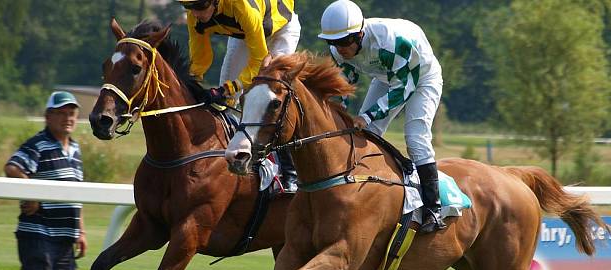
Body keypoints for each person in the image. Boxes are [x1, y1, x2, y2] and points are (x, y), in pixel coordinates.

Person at [318, 0, 447, 233]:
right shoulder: (339, 49)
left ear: (359, 34)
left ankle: (434, 210)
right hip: (387, 76)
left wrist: (366, 116)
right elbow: (344, 85)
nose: (340, 49)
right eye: (332, 43)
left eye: (345, 42)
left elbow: (403, 89)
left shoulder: (391, 43)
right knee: (367, 134)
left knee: (416, 139)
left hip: (421, 78)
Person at [178, 0, 300, 192]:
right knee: (225, 103)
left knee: (268, 94)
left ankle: (289, 173)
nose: (195, 13)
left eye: (200, 7)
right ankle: (226, 158)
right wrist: (190, 83)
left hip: (281, 31)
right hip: (244, 36)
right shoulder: (194, 17)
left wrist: (228, 88)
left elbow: (259, 60)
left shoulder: (242, 8)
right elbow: (200, 59)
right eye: (188, 8)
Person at [4, 91, 87, 270]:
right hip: (38, 234)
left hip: (65, 236)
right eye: (61, 113)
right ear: (48, 116)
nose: (67, 118)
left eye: (71, 114)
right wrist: (34, 193)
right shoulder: (37, 144)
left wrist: (81, 230)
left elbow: (77, 193)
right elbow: (13, 167)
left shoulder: (74, 148)